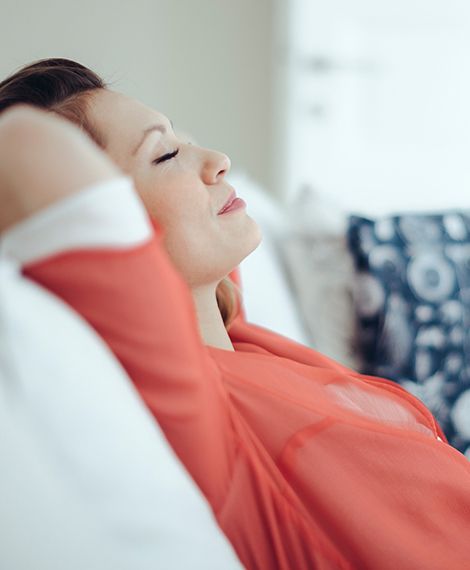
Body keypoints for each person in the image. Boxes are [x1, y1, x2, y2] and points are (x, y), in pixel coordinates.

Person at [1, 60, 470, 570]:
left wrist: (162, 151)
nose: (220, 160)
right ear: (110, 222)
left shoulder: (241, 337)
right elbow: (25, 148)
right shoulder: (198, 412)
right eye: (166, 154)